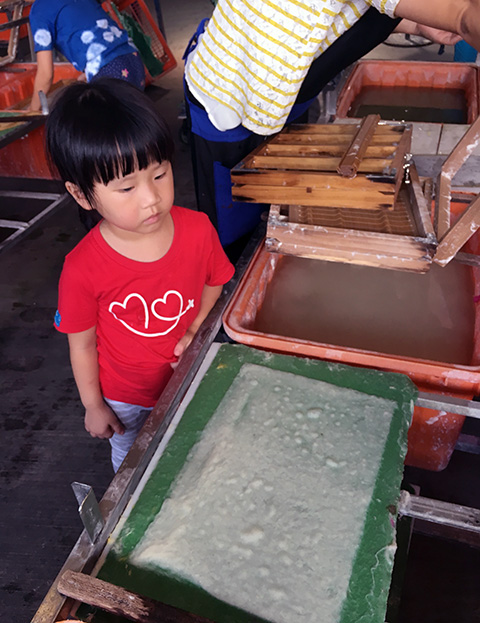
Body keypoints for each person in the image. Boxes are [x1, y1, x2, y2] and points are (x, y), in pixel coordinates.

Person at [46, 79, 235, 472]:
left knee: (191, 451)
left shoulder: (198, 229)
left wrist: (195, 329)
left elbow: (215, 280)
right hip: (125, 399)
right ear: (81, 195)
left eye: (159, 174)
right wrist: (93, 405)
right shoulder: (82, 268)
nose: (151, 198)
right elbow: (82, 346)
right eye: (127, 187)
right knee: (132, 463)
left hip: (188, 377)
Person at [183, 0, 472, 252]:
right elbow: (464, 17)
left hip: (286, 90)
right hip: (230, 93)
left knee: (284, 197)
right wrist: (462, 18)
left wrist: (417, 25)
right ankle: (230, 275)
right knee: (236, 217)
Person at [29, 0, 145, 111]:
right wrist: (90, 72)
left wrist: (32, 110)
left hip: (109, 71)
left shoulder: (39, 10)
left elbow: (45, 74)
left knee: (106, 123)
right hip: (133, 59)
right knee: (133, 119)